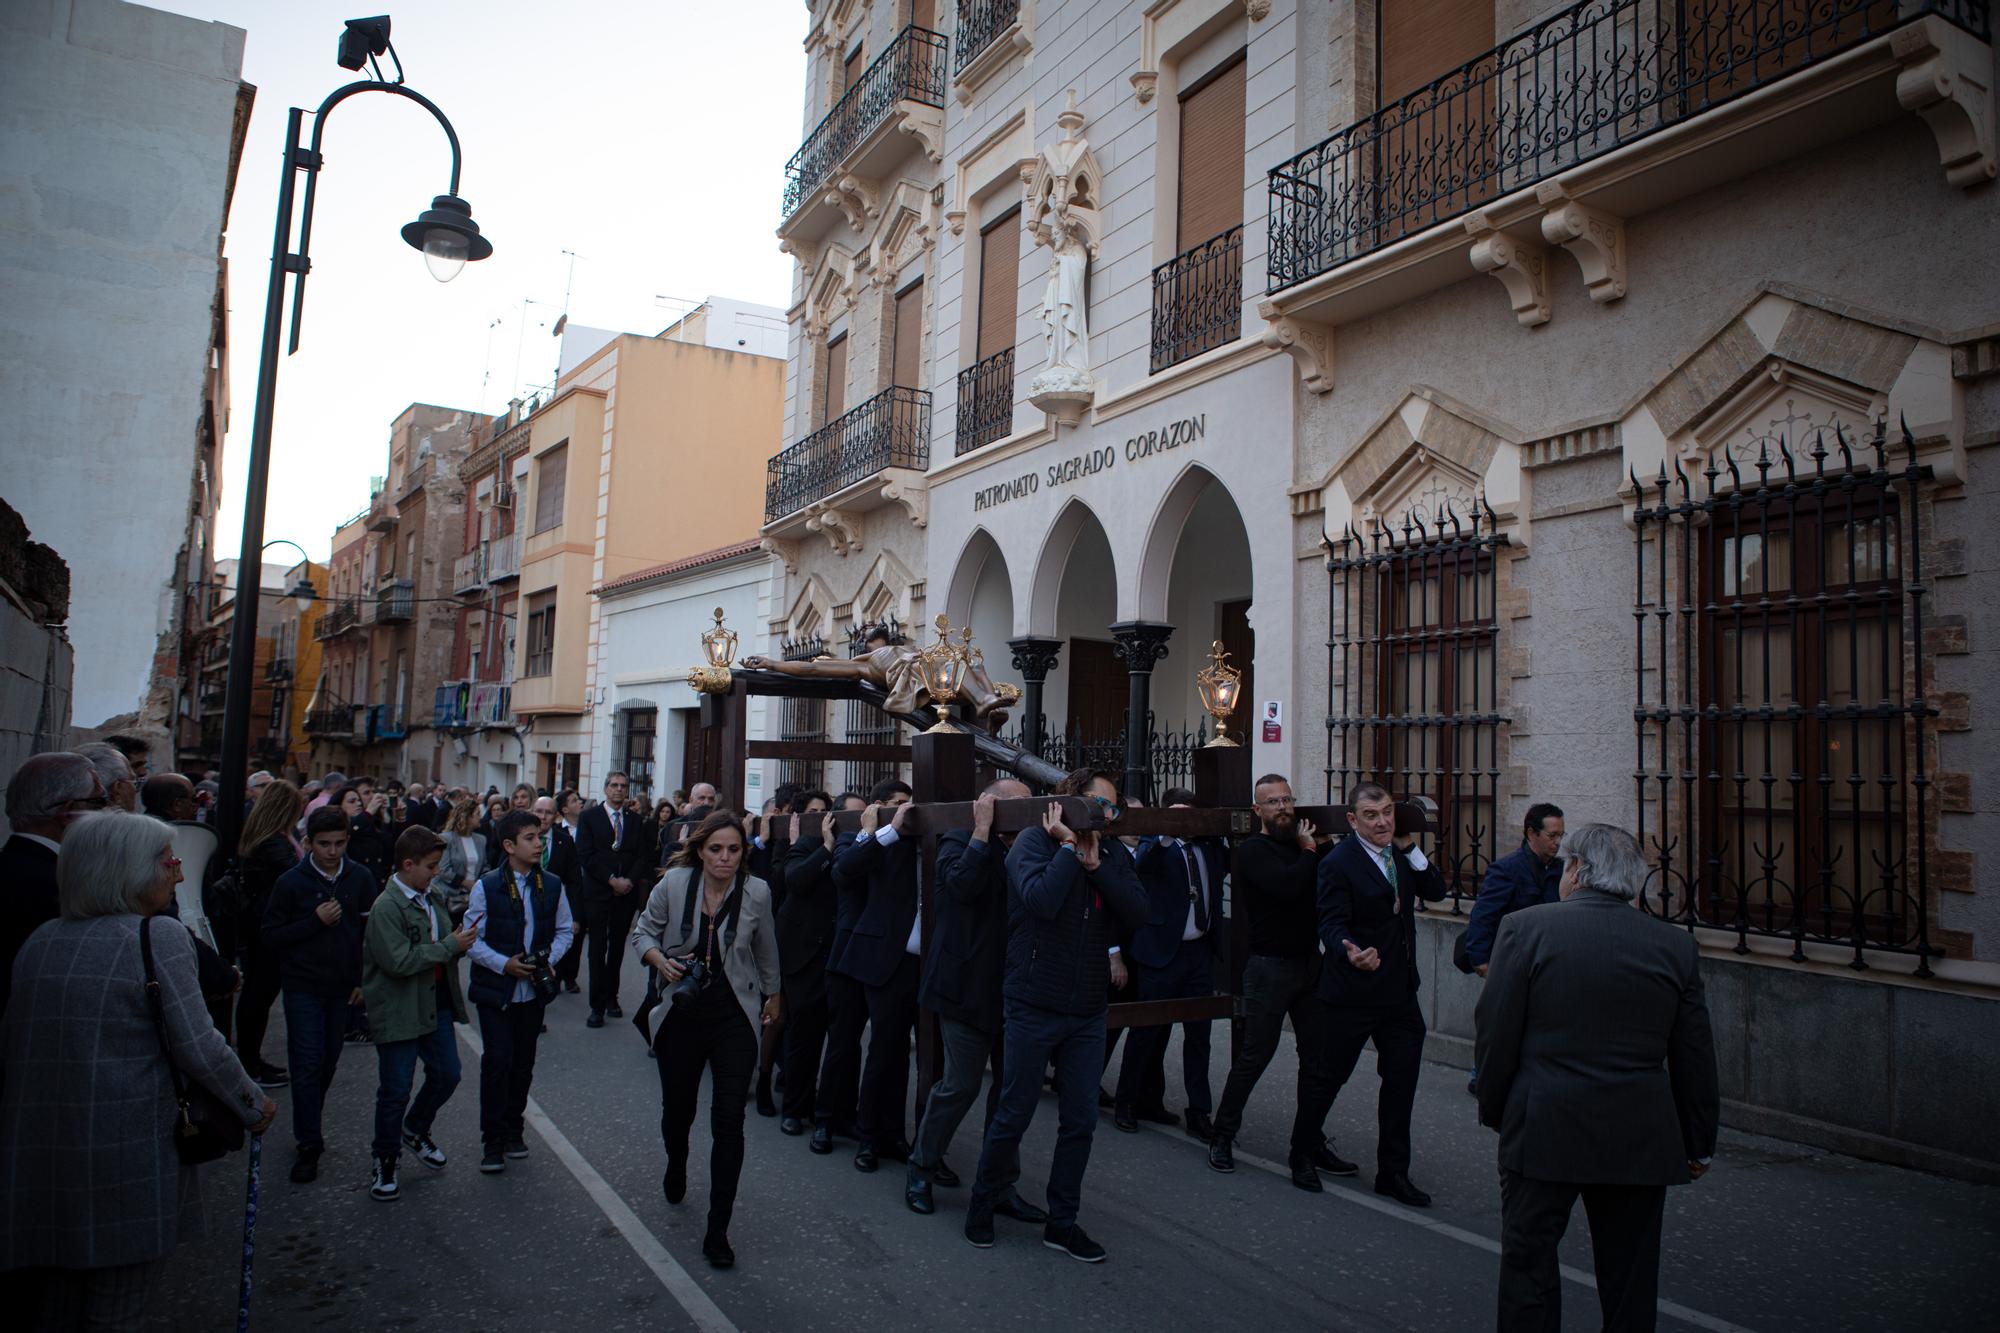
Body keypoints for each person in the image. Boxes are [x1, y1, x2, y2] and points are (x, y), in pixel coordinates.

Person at [0, 812, 277, 1326]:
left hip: (41, 1161)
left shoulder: (40, 941)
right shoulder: (158, 938)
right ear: (127, 871)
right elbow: (200, 1046)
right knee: (117, 1309)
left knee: (55, 1308)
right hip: (124, 1159)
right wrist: (253, 1104)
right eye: (168, 862)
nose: (177, 873)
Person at [1475, 823, 1720, 1332]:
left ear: (1578, 871)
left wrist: (1497, 1111)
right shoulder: (1675, 946)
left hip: (1542, 1126)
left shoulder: (1526, 928)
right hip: (1638, 1135)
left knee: (1528, 1266)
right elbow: (1694, 1053)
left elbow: (1496, 1031)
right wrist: (1698, 1143)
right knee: (1630, 1278)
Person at [965, 770, 1148, 1263]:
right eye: (1094, 804)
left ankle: (1062, 1222)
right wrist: (1068, 852)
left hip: (1087, 1009)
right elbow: (1041, 903)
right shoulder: (1031, 843)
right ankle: (983, 1204)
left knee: (1080, 1121)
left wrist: (1096, 866)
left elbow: (1137, 910)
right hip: (1032, 1002)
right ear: (1068, 802)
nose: (1103, 816)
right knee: (1014, 1113)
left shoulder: (1111, 855)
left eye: (1111, 809)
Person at [631, 811, 782, 1269]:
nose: (725, 858)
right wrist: (659, 960)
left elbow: (766, 951)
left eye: (734, 849)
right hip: (682, 1011)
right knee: (678, 1111)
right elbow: (642, 933)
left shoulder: (757, 892)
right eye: (716, 849)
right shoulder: (674, 884)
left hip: (733, 1014)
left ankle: (718, 1229)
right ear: (700, 850)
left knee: (729, 1120)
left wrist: (774, 997)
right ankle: (676, 1162)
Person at [907, 779, 1047, 1223]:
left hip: (1016, 990)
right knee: (960, 1085)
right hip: (965, 987)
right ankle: (921, 1169)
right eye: (1019, 805)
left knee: (1011, 1093)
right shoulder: (958, 838)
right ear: (990, 805)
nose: (1027, 813)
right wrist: (982, 833)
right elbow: (960, 887)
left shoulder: (1031, 848)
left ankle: (998, 1184)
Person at [1207, 774, 1349, 1184]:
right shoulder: (1254, 851)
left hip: (1310, 965)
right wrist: (1309, 851)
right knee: (1255, 1057)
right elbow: (1287, 888)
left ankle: (1307, 1145)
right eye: (1273, 802)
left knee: (1317, 1061)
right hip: (1269, 969)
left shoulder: (1305, 848)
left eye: (1288, 799)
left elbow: (1329, 884)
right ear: (1258, 811)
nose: (1284, 807)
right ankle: (1222, 1134)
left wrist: (1320, 848)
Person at [1315, 782, 1447, 1208]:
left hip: (1399, 996)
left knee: (1401, 1084)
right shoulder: (1339, 862)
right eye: (1371, 815)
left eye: (1387, 812)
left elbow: (1437, 891)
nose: (1383, 821)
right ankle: (1304, 1149)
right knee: (1328, 1077)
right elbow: (1330, 923)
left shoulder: (1400, 855)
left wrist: (1409, 847)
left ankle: (1393, 1172)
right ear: (1353, 820)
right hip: (1354, 992)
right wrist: (1348, 950)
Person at [362, 826, 478, 1202]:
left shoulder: (433, 897)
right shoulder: (387, 906)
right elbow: (398, 961)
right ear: (407, 865)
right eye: (430, 866)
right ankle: (385, 1159)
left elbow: (441, 943)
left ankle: (415, 1128)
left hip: (434, 1002)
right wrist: (449, 945)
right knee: (394, 1090)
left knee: (448, 1073)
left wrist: (460, 942)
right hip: (399, 1008)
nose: (436, 872)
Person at [264, 805, 374, 1183]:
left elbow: (367, 934)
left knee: (327, 1061)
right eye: (324, 844)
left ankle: (310, 1115)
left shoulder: (359, 878)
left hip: (341, 986)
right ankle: (308, 1142)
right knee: (307, 1063)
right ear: (309, 843)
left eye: (339, 843)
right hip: (303, 985)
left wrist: (362, 979)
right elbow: (272, 936)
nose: (331, 852)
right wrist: (314, 921)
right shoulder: (292, 883)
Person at [1113, 787, 1226, 1140]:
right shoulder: (1155, 847)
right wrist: (1165, 833)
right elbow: (1141, 865)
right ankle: (1127, 1102)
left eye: (1190, 815)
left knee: (1199, 1036)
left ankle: (1200, 1111)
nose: (1185, 822)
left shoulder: (1208, 848)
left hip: (1199, 954)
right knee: (1146, 1030)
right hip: (1162, 953)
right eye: (1178, 814)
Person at [465, 810, 575, 1173]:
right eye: (530, 837)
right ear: (509, 845)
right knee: (498, 1061)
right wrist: (504, 964)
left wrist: (546, 961)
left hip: (532, 992)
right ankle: (491, 1139)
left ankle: (514, 1128)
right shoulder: (487, 886)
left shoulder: (553, 885)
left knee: (523, 1064)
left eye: (539, 836)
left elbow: (564, 931)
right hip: (496, 990)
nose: (538, 843)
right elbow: (471, 941)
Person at [833, 777, 923, 1172]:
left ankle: (896, 1135)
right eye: (899, 803)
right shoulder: (882, 839)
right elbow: (846, 870)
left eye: (911, 803)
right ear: (881, 806)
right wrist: (885, 830)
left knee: (912, 1056)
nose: (909, 809)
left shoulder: (929, 838)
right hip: (887, 957)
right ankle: (869, 1136)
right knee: (885, 1050)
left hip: (927, 962)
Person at [1463, 803, 1565, 1096]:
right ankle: (1481, 1075)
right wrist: (1480, 959)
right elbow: (1484, 916)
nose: (1558, 842)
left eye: (1561, 835)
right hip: (1510, 963)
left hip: (1544, 962)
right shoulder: (1507, 869)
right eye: (1552, 835)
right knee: (1500, 1023)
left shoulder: (1560, 871)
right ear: (1532, 833)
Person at [1, 752, 105, 1024]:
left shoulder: (17, 865)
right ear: (67, 812)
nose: (107, 812)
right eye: (99, 802)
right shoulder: (64, 887)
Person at [234, 780, 305, 1088]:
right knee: (258, 995)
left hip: (263, 924)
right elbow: (297, 875)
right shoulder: (273, 843)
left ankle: (252, 1060)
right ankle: (249, 1064)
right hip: (268, 926)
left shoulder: (268, 837)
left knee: (258, 996)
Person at [772, 792, 834, 1135]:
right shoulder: (805, 845)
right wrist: (825, 849)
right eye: (814, 812)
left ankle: (827, 1105)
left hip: (833, 951)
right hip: (801, 952)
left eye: (826, 811)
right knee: (802, 1034)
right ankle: (794, 1106)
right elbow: (793, 880)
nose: (821, 817)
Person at [575, 772, 647, 1028]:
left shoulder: (636, 820)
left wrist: (628, 881)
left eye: (623, 786)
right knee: (597, 948)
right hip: (598, 891)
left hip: (625, 894)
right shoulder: (589, 817)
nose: (619, 790)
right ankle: (596, 1005)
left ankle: (611, 997)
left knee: (617, 947)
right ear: (606, 789)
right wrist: (610, 880)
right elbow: (585, 854)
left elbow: (642, 855)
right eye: (614, 785)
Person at [544, 790, 586, 992]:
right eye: (574, 800)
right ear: (564, 809)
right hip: (552, 896)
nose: (580, 803)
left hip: (576, 892)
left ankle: (570, 976)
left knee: (574, 936)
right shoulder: (559, 833)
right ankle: (554, 973)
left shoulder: (585, 830)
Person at [437, 798, 487, 919]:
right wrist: (464, 883)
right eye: (477, 814)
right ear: (467, 817)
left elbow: (485, 866)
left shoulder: (481, 840)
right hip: (450, 897)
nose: (480, 817)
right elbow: (443, 869)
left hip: (473, 897)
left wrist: (482, 881)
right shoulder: (446, 839)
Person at [75, 741, 137, 813]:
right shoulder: (135, 824)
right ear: (117, 791)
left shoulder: (64, 819)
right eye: (134, 782)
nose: (135, 790)